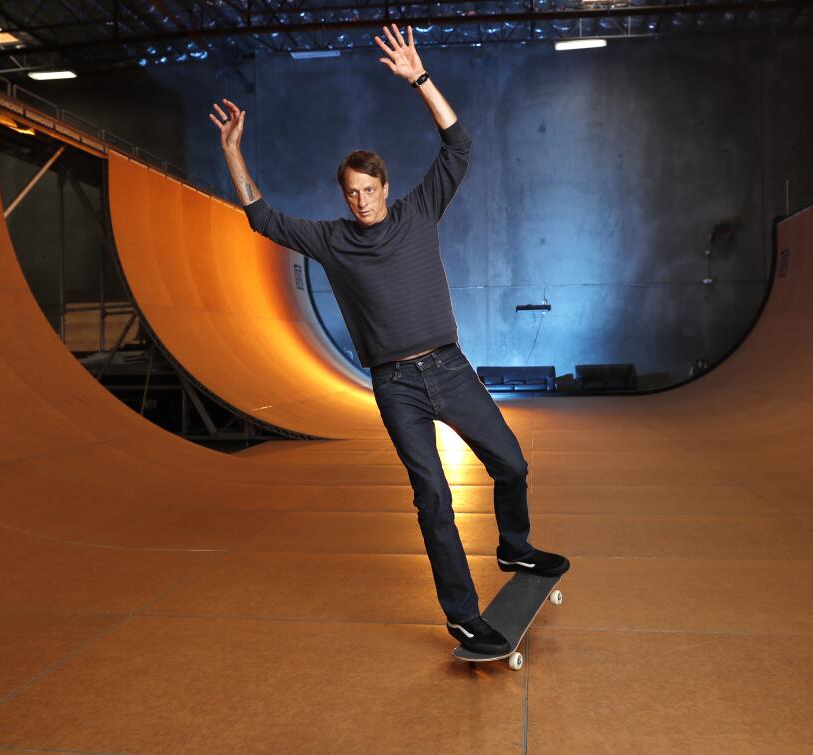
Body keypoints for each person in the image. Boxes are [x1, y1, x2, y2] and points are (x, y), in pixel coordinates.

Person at [209, 23, 569, 655]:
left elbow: (459, 145)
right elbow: (262, 217)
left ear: (385, 187)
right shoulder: (331, 239)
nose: (361, 204)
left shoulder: (417, 210)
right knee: (433, 494)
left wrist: (420, 79)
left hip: (450, 368)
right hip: (395, 384)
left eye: (369, 192)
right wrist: (234, 150)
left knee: (511, 463)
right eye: (351, 195)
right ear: (343, 196)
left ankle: (514, 549)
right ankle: (460, 614)